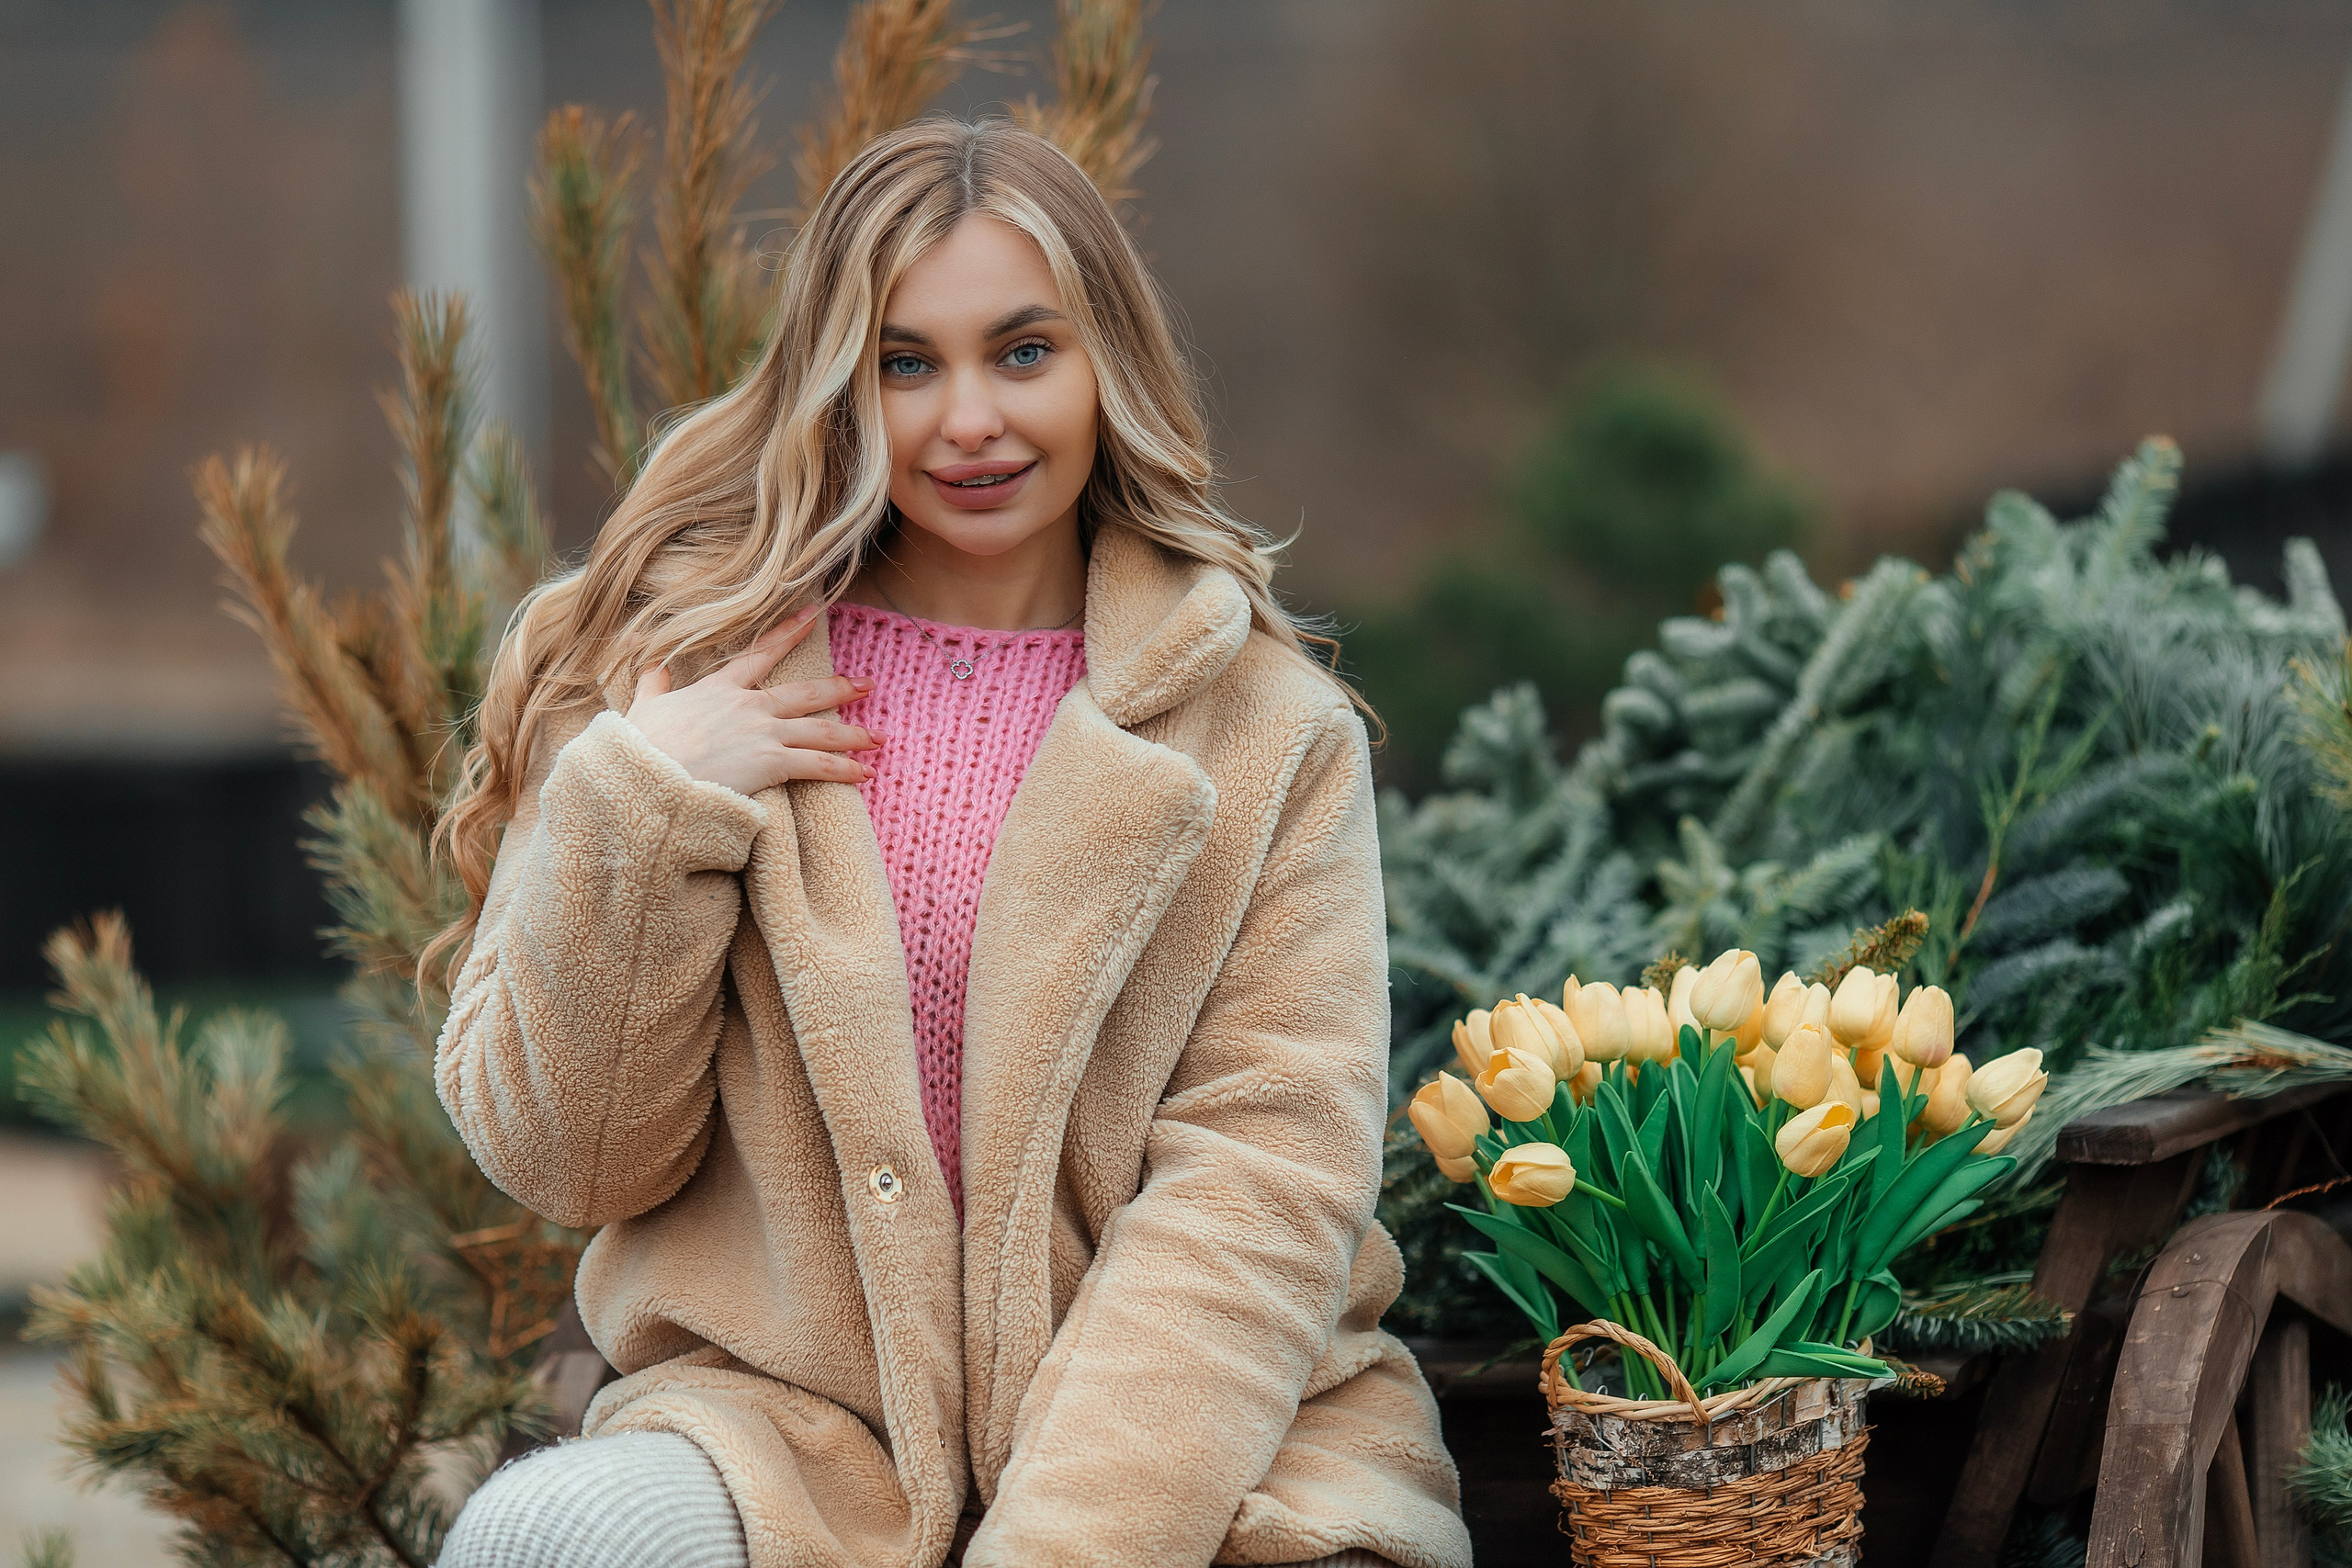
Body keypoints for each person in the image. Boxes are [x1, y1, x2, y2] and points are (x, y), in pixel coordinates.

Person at [431, 118, 1470, 1568]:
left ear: (1107, 362)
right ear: (836, 386)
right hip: (795, 1446)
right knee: (542, 1542)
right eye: (906, 363)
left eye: (1024, 351)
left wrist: (1054, 1548)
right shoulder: (686, 684)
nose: (968, 418)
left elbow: (1261, 1191)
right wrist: (652, 802)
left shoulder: (1267, 729)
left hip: (1208, 1460)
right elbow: (568, 1160)